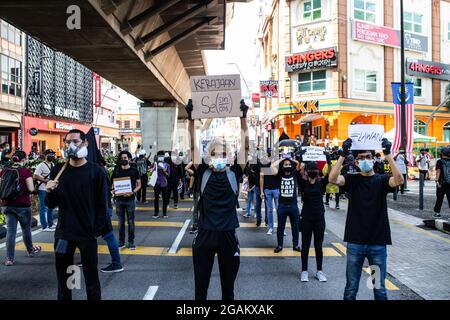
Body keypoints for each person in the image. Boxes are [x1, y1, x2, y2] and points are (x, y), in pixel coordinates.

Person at [185, 98, 248, 300]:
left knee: (228, 291)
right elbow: (193, 146)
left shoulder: (234, 172)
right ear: (208, 155)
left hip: (228, 236)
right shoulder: (202, 171)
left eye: (223, 153)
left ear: (228, 155)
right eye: (214, 153)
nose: (219, 156)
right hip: (205, 235)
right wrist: (191, 119)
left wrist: (243, 117)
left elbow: (246, 146)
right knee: (200, 290)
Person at [329, 137, 404, 300]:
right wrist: (342, 155)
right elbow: (332, 179)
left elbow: (399, 180)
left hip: (377, 244)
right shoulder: (351, 179)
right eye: (361, 158)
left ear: (373, 159)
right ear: (355, 162)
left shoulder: (382, 180)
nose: (365, 160)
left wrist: (388, 155)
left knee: (378, 289)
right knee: (351, 289)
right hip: (355, 243)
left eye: (368, 157)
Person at [45, 129, 110, 300]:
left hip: (87, 235)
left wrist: (95, 230)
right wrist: (49, 191)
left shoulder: (97, 172)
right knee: (65, 279)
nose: (71, 145)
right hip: (63, 235)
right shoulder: (59, 171)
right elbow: (51, 204)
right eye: (67, 142)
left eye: (75, 141)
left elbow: (103, 205)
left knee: (91, 279)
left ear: (85, 143)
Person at [0, 150, 41, 266]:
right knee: (26, 229)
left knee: (11, 232)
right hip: (23, 205)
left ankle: (9, 259)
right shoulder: (25, 171)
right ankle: (31, 250)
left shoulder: (4, 171)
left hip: (7, 205)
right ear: (23, 160)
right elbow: (31, 188)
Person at [298, 160, 329, 282]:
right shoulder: (303, 183)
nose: (313, 172)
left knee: (318, 246)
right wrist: (300, 159)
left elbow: (330, 175)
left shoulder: (321, 184)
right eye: (310, 170)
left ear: (318, 172)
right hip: (306, 218)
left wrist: (328, 160)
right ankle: (304, 271)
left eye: (314, 170)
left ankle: (319, 271)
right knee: (305, 245)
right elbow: (296, 172)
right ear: (306, 171)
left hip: (319, 218)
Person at [269, 156, 301, 253]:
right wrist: (282, 159)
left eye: (289, 164)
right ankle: (279, 245)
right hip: (282, 206)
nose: (287, 166)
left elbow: (301, 165)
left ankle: (296, 245)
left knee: (295, 226)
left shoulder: (295, 174)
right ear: (282, 166)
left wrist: (291, 159)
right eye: (285, 164)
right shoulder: (279, 175)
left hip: (293, 205)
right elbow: (272, 166)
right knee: (280, 227)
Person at [111, 151, 141, 250]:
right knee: (120, 222)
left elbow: (139, 185)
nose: (123, 160)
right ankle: (121, 242)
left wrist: (132, 192)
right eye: (122, 158)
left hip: (130, 199)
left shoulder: (134, 171)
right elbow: (112, 185)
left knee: (131, 222)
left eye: (125, 158)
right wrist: (113, 190)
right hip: (119, 200)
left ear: (129, 159)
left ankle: (131, 242)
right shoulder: (116, 171)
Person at [34, 149, 56, 231]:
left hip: (51, 189)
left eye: (52, 154)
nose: (52, 156)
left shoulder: (52, 164)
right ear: (45, 156)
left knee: (50, 206)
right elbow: (35, 175)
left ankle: (50, 223)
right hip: (42, 189)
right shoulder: (41, 165)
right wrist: (45, 180)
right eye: (50, 154)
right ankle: (44, 226)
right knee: (43, 207)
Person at [260, 156, 280, 235]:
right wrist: (261, 191)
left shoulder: (278, 166)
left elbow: (276, 174)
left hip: (276, 190)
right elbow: (261, 178)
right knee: (270, 210)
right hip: (267, 190)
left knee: (279, 209)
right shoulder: (264, 166)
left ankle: (281, 228)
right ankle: (271, 227)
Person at [433, 147, 450, 218]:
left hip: (441, 183)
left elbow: (438, 171)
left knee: (439, 198)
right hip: (449, 183)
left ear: (442, 153)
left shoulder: (440, 161)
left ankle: (437, 213)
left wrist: (437, 181)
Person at [152, 152, 170, 218]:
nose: (160, 157)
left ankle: (164, 213)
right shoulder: (155, 164)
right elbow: (152, 171)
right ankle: (156, 213)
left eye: (162, 156)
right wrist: (152, 169)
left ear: (164, 157)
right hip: (157, 183)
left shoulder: (167, 165)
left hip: (164, 183)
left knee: (164, 198)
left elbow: (168, 175)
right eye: (159, 156)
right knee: (156, 198)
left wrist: (164, 171)